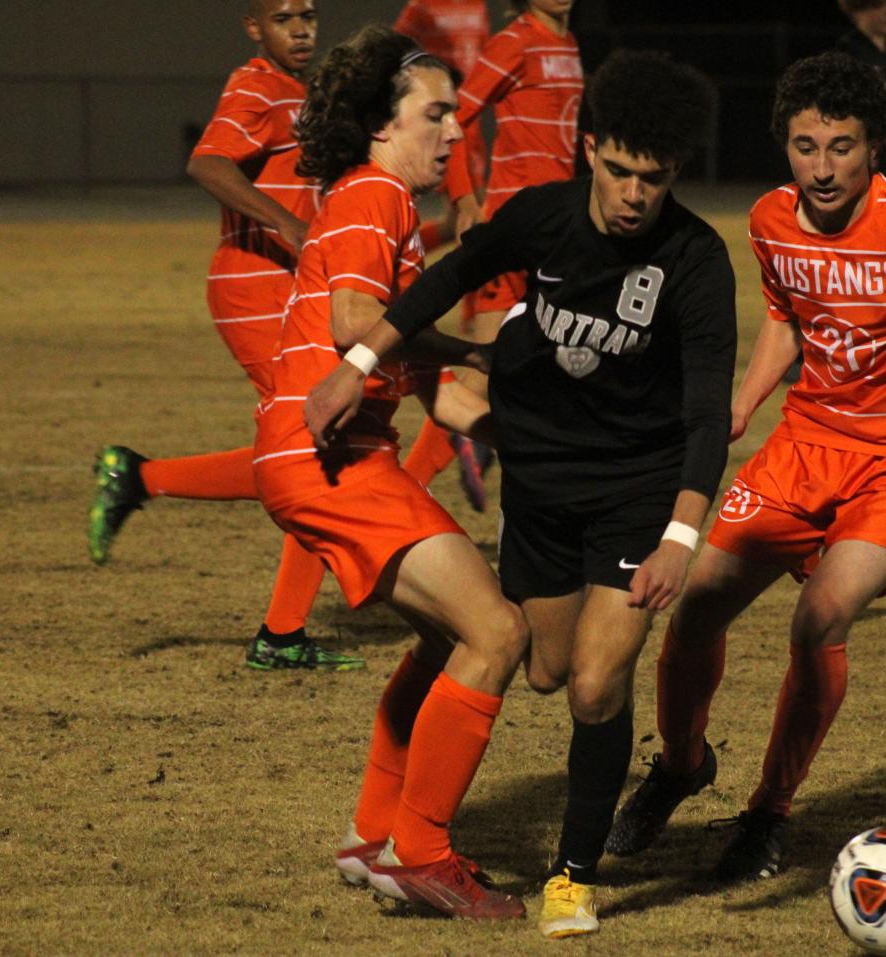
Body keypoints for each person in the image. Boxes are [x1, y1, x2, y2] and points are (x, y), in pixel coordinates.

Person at [305, 49, 735, 938]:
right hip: (540, 490)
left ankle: (574, 877)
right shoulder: (538, 219)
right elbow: (444, 281)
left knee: (592, 684)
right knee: (540, 669)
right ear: (588, 151)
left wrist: (680, 540)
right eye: (617, 171)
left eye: (652, 180)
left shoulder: (695, 260)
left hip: (635, 497)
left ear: (676, 175)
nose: (631, 195)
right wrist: (358, 360)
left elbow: (705, 416)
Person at [604, 51, 886, 883]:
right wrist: (743, 403)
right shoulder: (771, 219)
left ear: (875, 146)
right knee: (695, 607)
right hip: (806, 443)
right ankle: (679, 764)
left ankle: (768, 810)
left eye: (841, 146)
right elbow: (786, 322)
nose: (821, 166)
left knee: (821, 615)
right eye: (805, 146)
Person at [256, 26, 530, 920]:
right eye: (436, 114)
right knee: (497, 633)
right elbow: (352, 323)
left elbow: (408, 375)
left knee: (450, 636)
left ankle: (376, 836)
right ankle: (423, 850)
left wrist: (496, 397)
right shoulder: (379, 195)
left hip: (324, 457)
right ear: (381, 124)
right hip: (330, 459)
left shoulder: (362, 196)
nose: (454, 133)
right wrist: (467, 345)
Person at [87, 0, 361, 670]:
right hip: (253, 285)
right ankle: (281, 633)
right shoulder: (253, 84)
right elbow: (209, 164)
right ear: (253, 26)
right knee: (315, 447)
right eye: (283, 17)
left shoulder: (301, 90)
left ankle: (140, 477)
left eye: (308, 14)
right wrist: (289, 227)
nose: (300, 28)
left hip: (285, 287)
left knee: (312, 445)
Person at [399, 0, 583, 511]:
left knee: (521, 376)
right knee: (482, 378)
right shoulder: (514, 41)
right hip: (514, 233)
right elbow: (454, 117)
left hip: (555, 234)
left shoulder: (565, 42)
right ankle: (409, 494)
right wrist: (463, 201)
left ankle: (467, 463)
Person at [390, 0, 491, 252]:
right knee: (475, 213)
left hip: (470, 122)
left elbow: (483, 54)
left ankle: (398, 253)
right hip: (442, 119)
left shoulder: (477, 5)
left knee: (463, 219)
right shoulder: (421, 8)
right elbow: (391, 53)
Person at [836, 0, 886, 175]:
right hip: (859, 152)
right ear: (857, 10)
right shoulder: (849, 50)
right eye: (879, 5)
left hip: (882, 151)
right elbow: (846, 103)